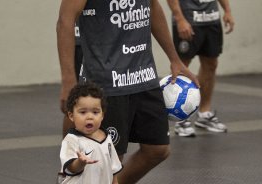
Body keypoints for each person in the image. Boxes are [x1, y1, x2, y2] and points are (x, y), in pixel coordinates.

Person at [57, 0, 199, 183]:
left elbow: (153, 7)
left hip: (144, 75)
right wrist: (68, 80)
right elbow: (65, 21)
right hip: (107, 81)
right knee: (111, 157)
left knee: (157, 149)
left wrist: (174, 58)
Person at [167, 0, 234, 136]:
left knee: (211, 64)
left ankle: (204, 114)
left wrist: (227, 11)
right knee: (181, 66)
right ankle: (180, 119)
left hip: (211, 20)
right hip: (188, 20)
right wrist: (180, 19)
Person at [59, 83, 122, 184]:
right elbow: (71, 168)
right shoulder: (71, 140)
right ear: (71, 116)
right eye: (83, 112)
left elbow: (113, 171)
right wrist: (80, 162)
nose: (90, 117)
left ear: (102, 115)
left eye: (95, 112)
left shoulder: (107, 139)